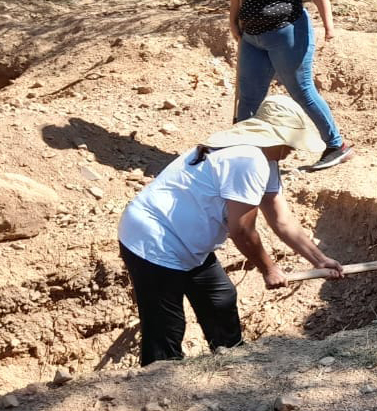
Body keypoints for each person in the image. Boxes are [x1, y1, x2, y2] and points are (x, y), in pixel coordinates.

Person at [118, 95, 345, 366]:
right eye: (290, 143)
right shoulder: (248, 159)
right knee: (165, 330)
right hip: (153, 239)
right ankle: (158, 389)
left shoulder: (264, 158)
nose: (293, 151)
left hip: (187, 243)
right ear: (273, 136)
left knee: (220, 299)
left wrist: (319, 260)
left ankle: (232, 366)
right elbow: (242, 230)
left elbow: (281, 219)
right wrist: (269, 269)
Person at [228, 0, 354, 171]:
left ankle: (336, 145)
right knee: (248, 95)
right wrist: (232, 19)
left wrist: (329, 27)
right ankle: (239, 151)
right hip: (251, 35)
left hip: (287, 34)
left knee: (301, 91)